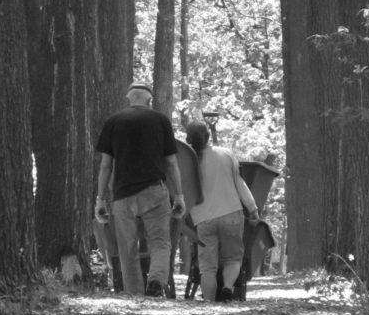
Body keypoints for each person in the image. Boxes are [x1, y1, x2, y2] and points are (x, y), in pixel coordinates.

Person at [94, 83, 186, 298]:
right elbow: (171, 163)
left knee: (127, 249)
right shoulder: (161, 121)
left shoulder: (113, 122)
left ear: (129, 99)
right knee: (161, 242)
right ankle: (156, 280)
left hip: (123, 195)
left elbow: (106, 166)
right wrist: (179, 196)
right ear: (149, 100)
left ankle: (135, 297)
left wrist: (100, 200)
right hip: (154, 191)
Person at [185, 120, 259, 303]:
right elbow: (239, 183)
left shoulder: (188, 160)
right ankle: (227, 288)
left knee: (207, 267)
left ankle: (209, 304)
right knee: (233, 258)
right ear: (208, 137)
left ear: (188, 139)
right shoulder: (225, 154)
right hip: (231, 214)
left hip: (203, 219)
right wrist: (252, 208)